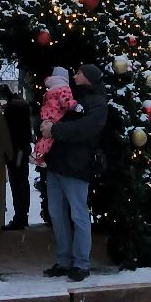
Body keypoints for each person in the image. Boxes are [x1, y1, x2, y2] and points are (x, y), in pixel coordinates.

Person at [43, 64, 108, 282]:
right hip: (56, 165)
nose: (75, 75)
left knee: (78, 214)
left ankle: (81, 264)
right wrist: (43, 125)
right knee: (56, 214)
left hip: (76, 166)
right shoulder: (68, 95)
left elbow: (86, 129)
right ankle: (64, 261)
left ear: (88, 78)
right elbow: (52, 115)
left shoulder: (97, 103)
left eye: (79, 73)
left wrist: (54, 130)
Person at [1, 93, 32, 230]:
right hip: (22, 149)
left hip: (16, 151)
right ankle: (22, 215)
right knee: (22, 183)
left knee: (17, 183)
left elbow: (10, 131)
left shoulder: (12, 108)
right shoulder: (21, 104)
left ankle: (20, 218)